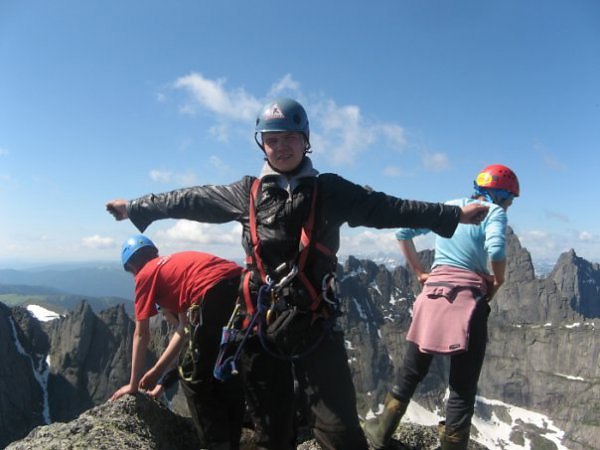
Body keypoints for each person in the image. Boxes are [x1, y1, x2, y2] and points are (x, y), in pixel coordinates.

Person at [106, 98, 489, 450]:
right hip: (259, 327)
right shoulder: (247, 192)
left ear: (305, 140)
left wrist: (453, 215)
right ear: (262, 145)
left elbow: (388, 208)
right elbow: (192, 199)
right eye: (272, 139)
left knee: (341, 434)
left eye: (290, 137)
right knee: (272, 434)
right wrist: (138, 208)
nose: (281, 146)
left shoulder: (331, 190)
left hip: (315, 323)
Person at [364, 164, 519, 450]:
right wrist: (497, 281)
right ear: (501, 196)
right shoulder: (494, 212)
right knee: (462, 385)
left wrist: (420, 272)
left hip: (431, 297)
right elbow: (496, 249)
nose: (508, 207)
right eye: (509, 200)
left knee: (411, 371)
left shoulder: (451, 207)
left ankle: (381, 431)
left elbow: (403, 233)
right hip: (467, 303)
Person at [108, 234, 245, 450]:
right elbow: (184, 329)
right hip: (241, 285)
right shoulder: (174, 268)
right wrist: (157, 373)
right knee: (224, 370)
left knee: (193, 376)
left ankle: (216, 444)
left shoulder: (145, 274)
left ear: (133, 266)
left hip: (210, 292)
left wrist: (133, 385)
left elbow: (141, 334)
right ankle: (232, 442)